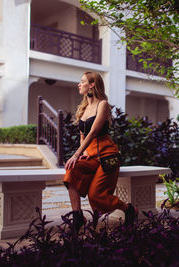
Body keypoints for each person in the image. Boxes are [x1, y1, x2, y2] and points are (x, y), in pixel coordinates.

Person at [64, 71, 137, 232]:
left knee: (96, 196)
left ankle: (128, 209)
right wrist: (83, 153)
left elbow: (93, 132)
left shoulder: (102, 104)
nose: (79, 84)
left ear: (92, 85)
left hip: (107, 156)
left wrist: (76, 154)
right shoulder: (84, 108)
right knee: (71, 170)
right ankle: (77, 216)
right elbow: (83, 135)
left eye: (82, 81)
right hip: (91, 156)